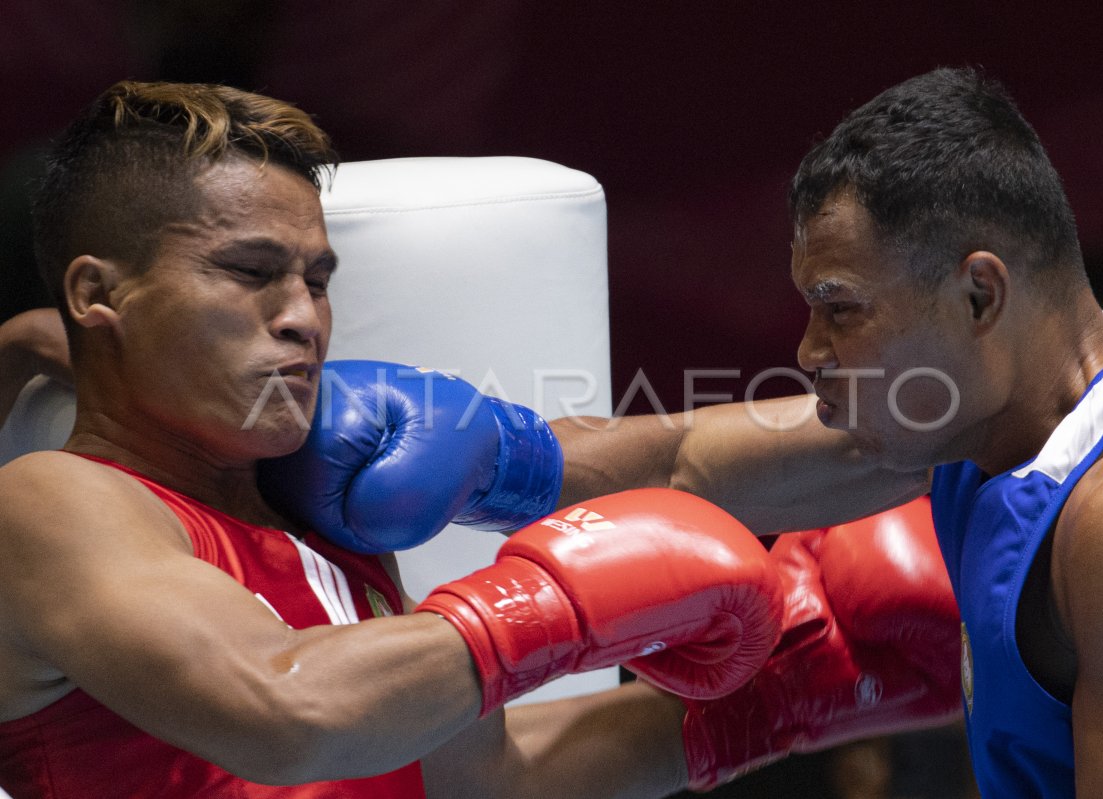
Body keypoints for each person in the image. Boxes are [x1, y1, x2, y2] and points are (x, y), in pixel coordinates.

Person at [0, 80, 960, 798]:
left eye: (318, 279)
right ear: (97, 293)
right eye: (251, 272)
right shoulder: (54, 504)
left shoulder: (329, 506)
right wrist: (549, 603)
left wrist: (785, 695)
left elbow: (491, 783)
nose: (302, 317)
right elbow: (284, 709)